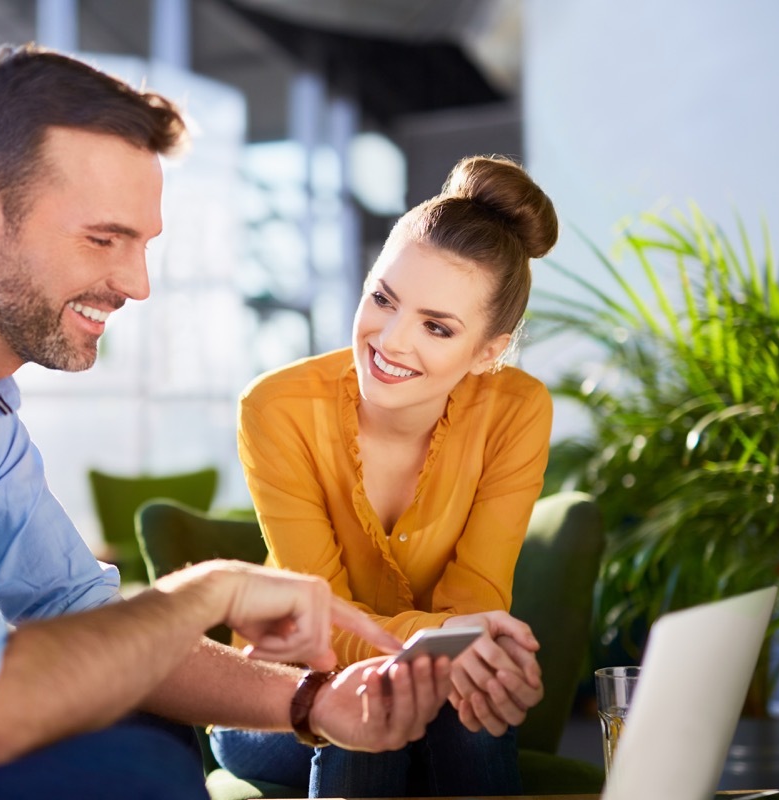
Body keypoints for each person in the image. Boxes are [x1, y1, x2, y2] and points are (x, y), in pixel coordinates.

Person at [0, 45, 455, 800]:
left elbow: (90, 621)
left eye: (143, 245)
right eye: (104, 240)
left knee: (136, 722)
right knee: (126, 769)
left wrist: (313, 704)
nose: (136, 284)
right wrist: (208, 593)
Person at [210, 154, 559, 797]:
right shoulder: (276, 408)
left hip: (439, 687)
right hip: (287, 690)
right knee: (374, 707)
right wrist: (443, 643)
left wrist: (451, 647)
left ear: (489, 351)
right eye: (382, 298)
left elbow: (477, 600)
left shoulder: (518, 411)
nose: (391, 341)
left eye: (436, 326)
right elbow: (324, 623)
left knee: (451, 706)